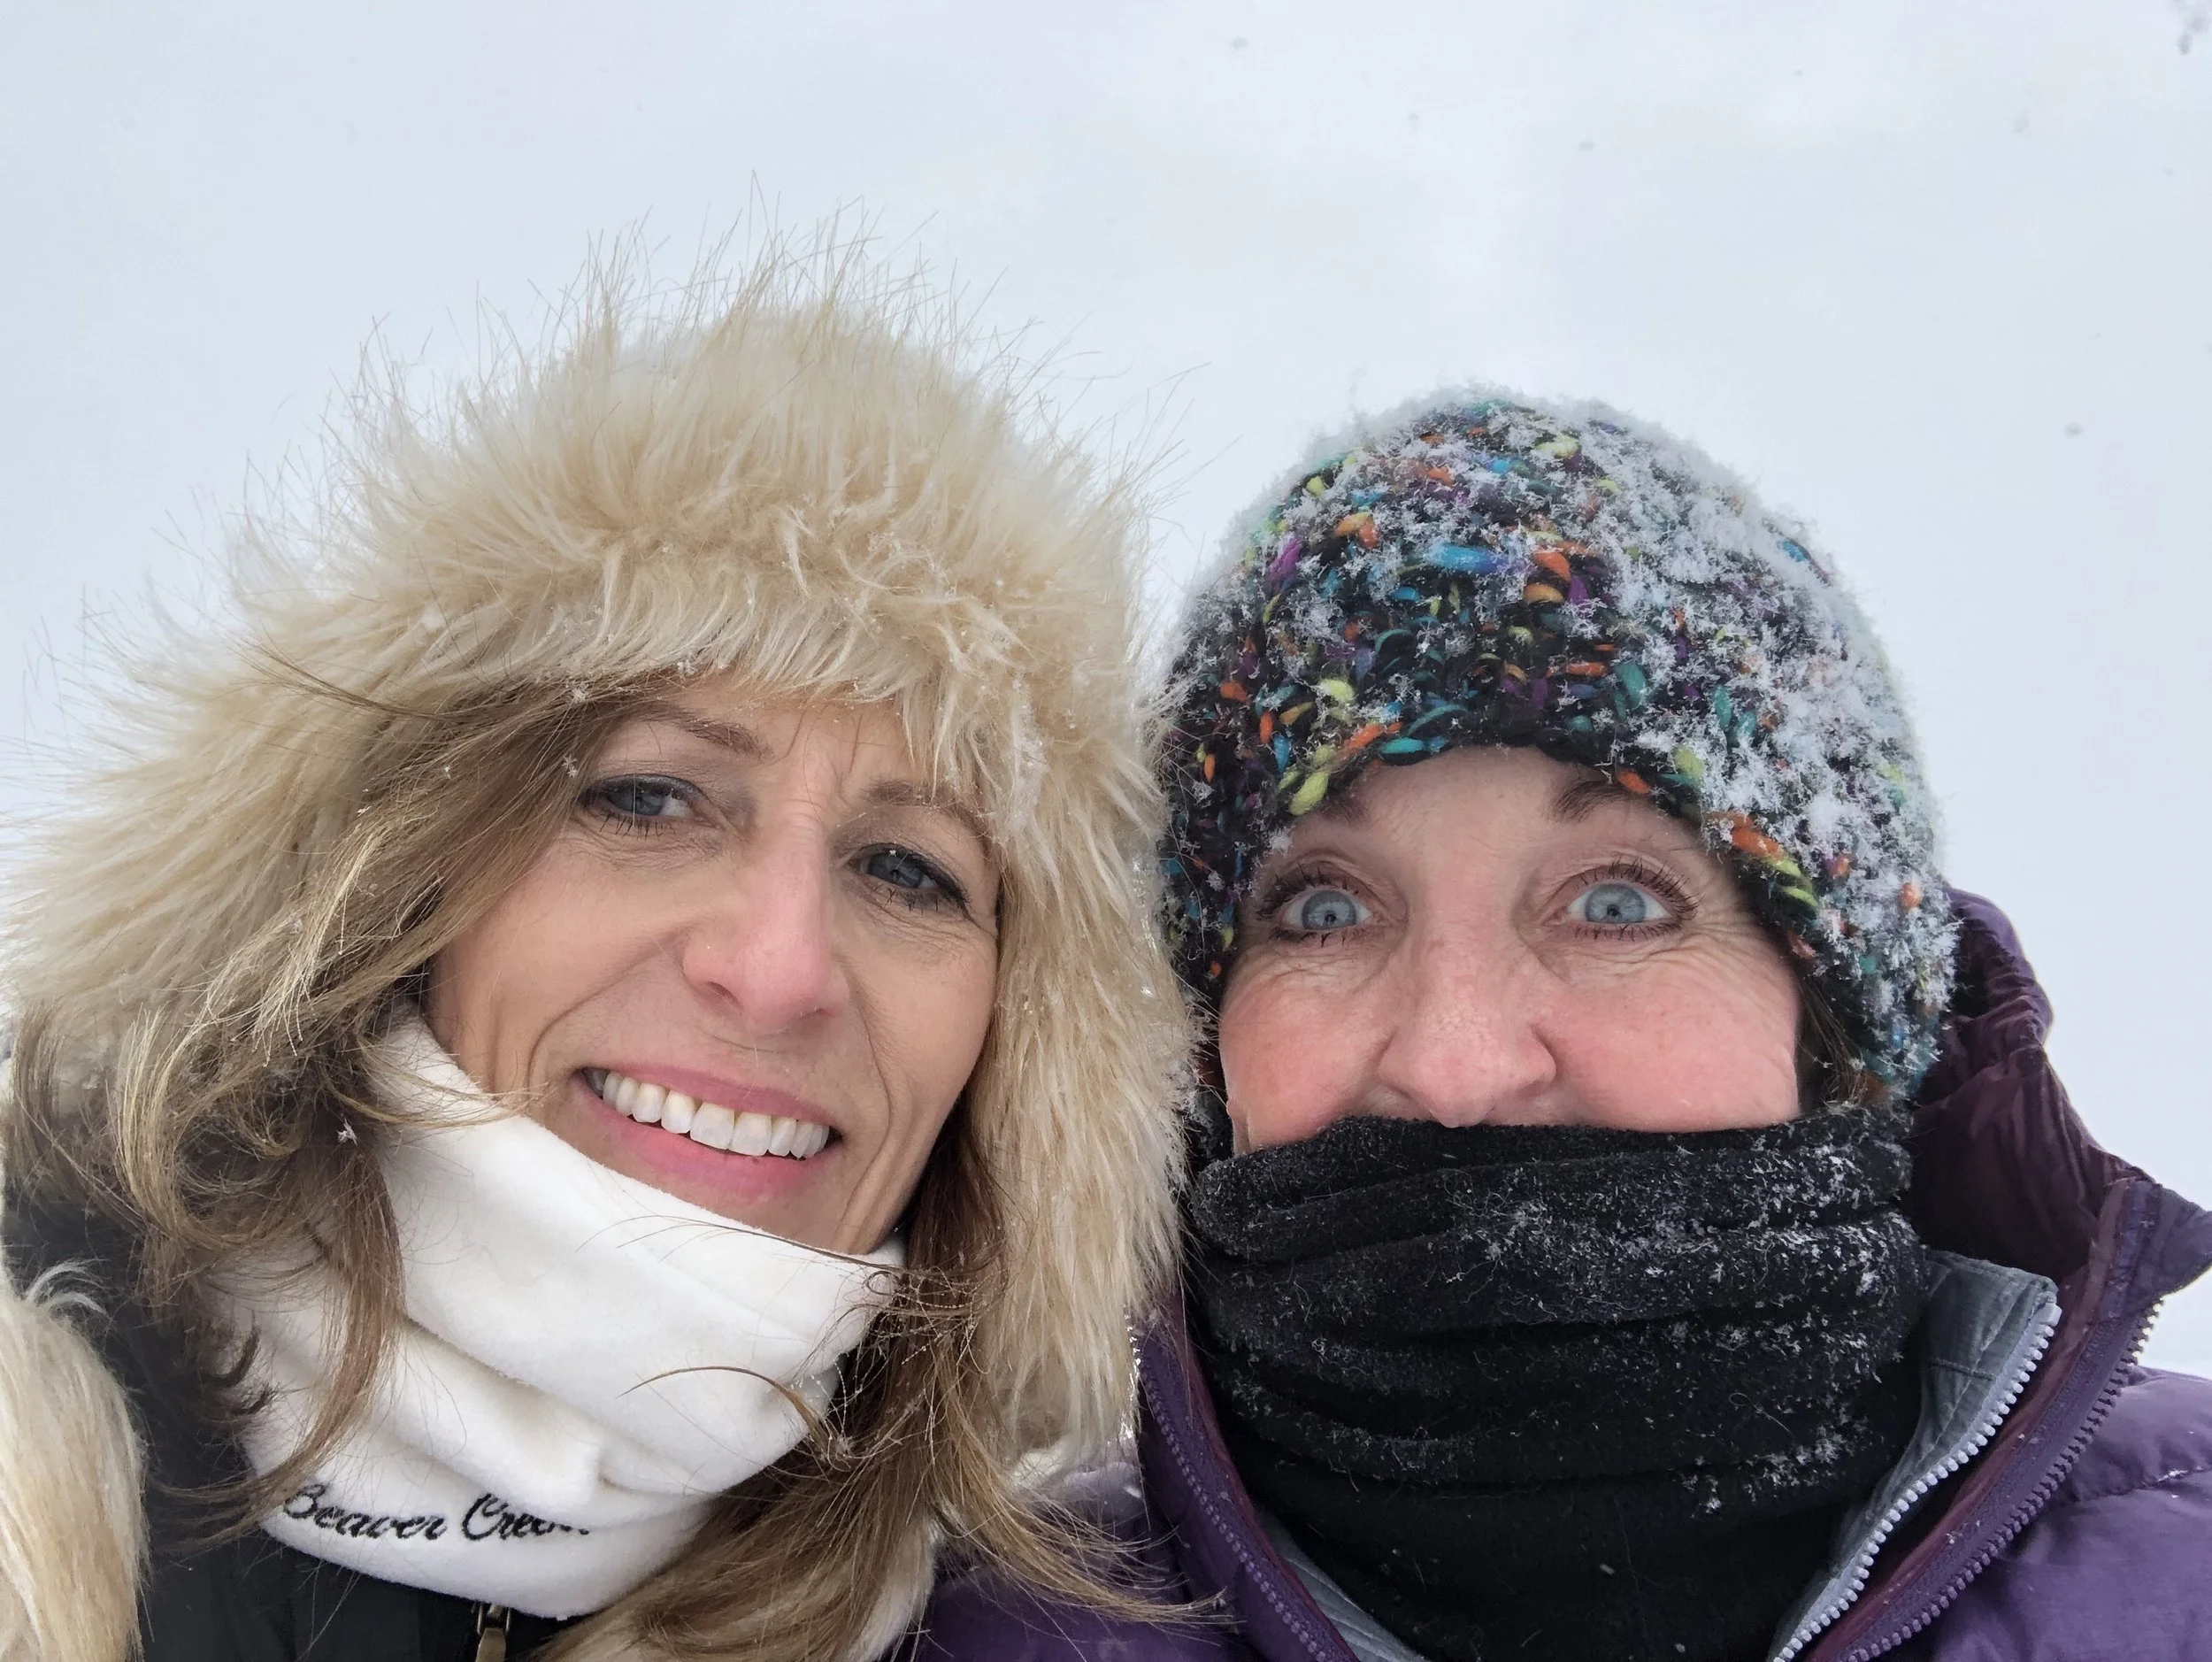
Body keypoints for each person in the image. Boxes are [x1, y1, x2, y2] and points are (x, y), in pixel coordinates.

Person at [0, 241, 1186, 1662]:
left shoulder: (1012, 1632)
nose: (778, 966)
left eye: (905, 868)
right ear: (401, 862)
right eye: (647, 797)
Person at [916, 394, 2212, 1660]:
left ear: (1837, 1020)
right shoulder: (971, 1627)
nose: (1457, 1061)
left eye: (1616, 901)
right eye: (1322, 909)